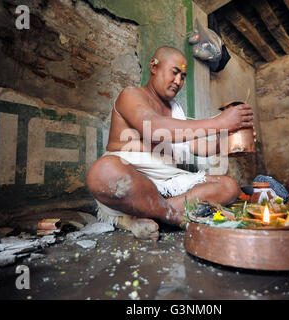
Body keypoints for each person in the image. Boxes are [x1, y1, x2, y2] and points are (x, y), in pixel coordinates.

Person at [86, 46, 254, 240]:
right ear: (154, 67)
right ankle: (173, 215)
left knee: (229, 186)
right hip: (132, 181)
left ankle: (148, 213)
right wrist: (220, 122)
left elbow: (199, 147)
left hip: (169, 184)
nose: (178, 81)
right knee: (103, 171)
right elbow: (155, 128)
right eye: (174, 72)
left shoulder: (175, 108)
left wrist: (230, 140)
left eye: (183, 76)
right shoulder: (131, 95)